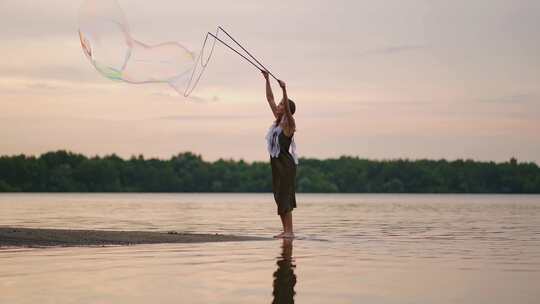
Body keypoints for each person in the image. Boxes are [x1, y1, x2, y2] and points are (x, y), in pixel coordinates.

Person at [262, 70, 298, 239]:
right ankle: (286, 230)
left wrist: (284, 89)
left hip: (286, 165)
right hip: (276, 164)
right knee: (278, 196)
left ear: (287, 109)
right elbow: (269, 98)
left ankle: (290, 232)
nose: (278, 105)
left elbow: (289, 114)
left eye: (282, 104)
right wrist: (267, 79)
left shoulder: (289, 125)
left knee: (285, 195)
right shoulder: (277, 123)